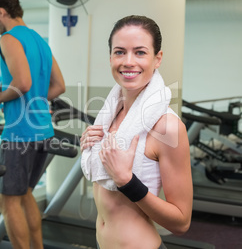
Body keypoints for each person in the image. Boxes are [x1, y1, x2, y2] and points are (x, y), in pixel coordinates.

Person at [80, 15, 193, 249]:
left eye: (140, 52)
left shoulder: (167, 127)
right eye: (120, 52)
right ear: (110, 57)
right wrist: (91, 144)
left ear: (157, 58)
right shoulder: (110, 115)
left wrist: (127, 181)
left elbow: (181, 223)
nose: (128, 61)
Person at [0, 0, 65, 249]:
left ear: (1, 12)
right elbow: (59, 86)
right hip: (43, 131)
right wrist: (37, 103)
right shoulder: (40, 40)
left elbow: (23, 83)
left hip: (19, 133)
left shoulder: (8, 39)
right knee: (25, 194)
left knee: (7, 201)